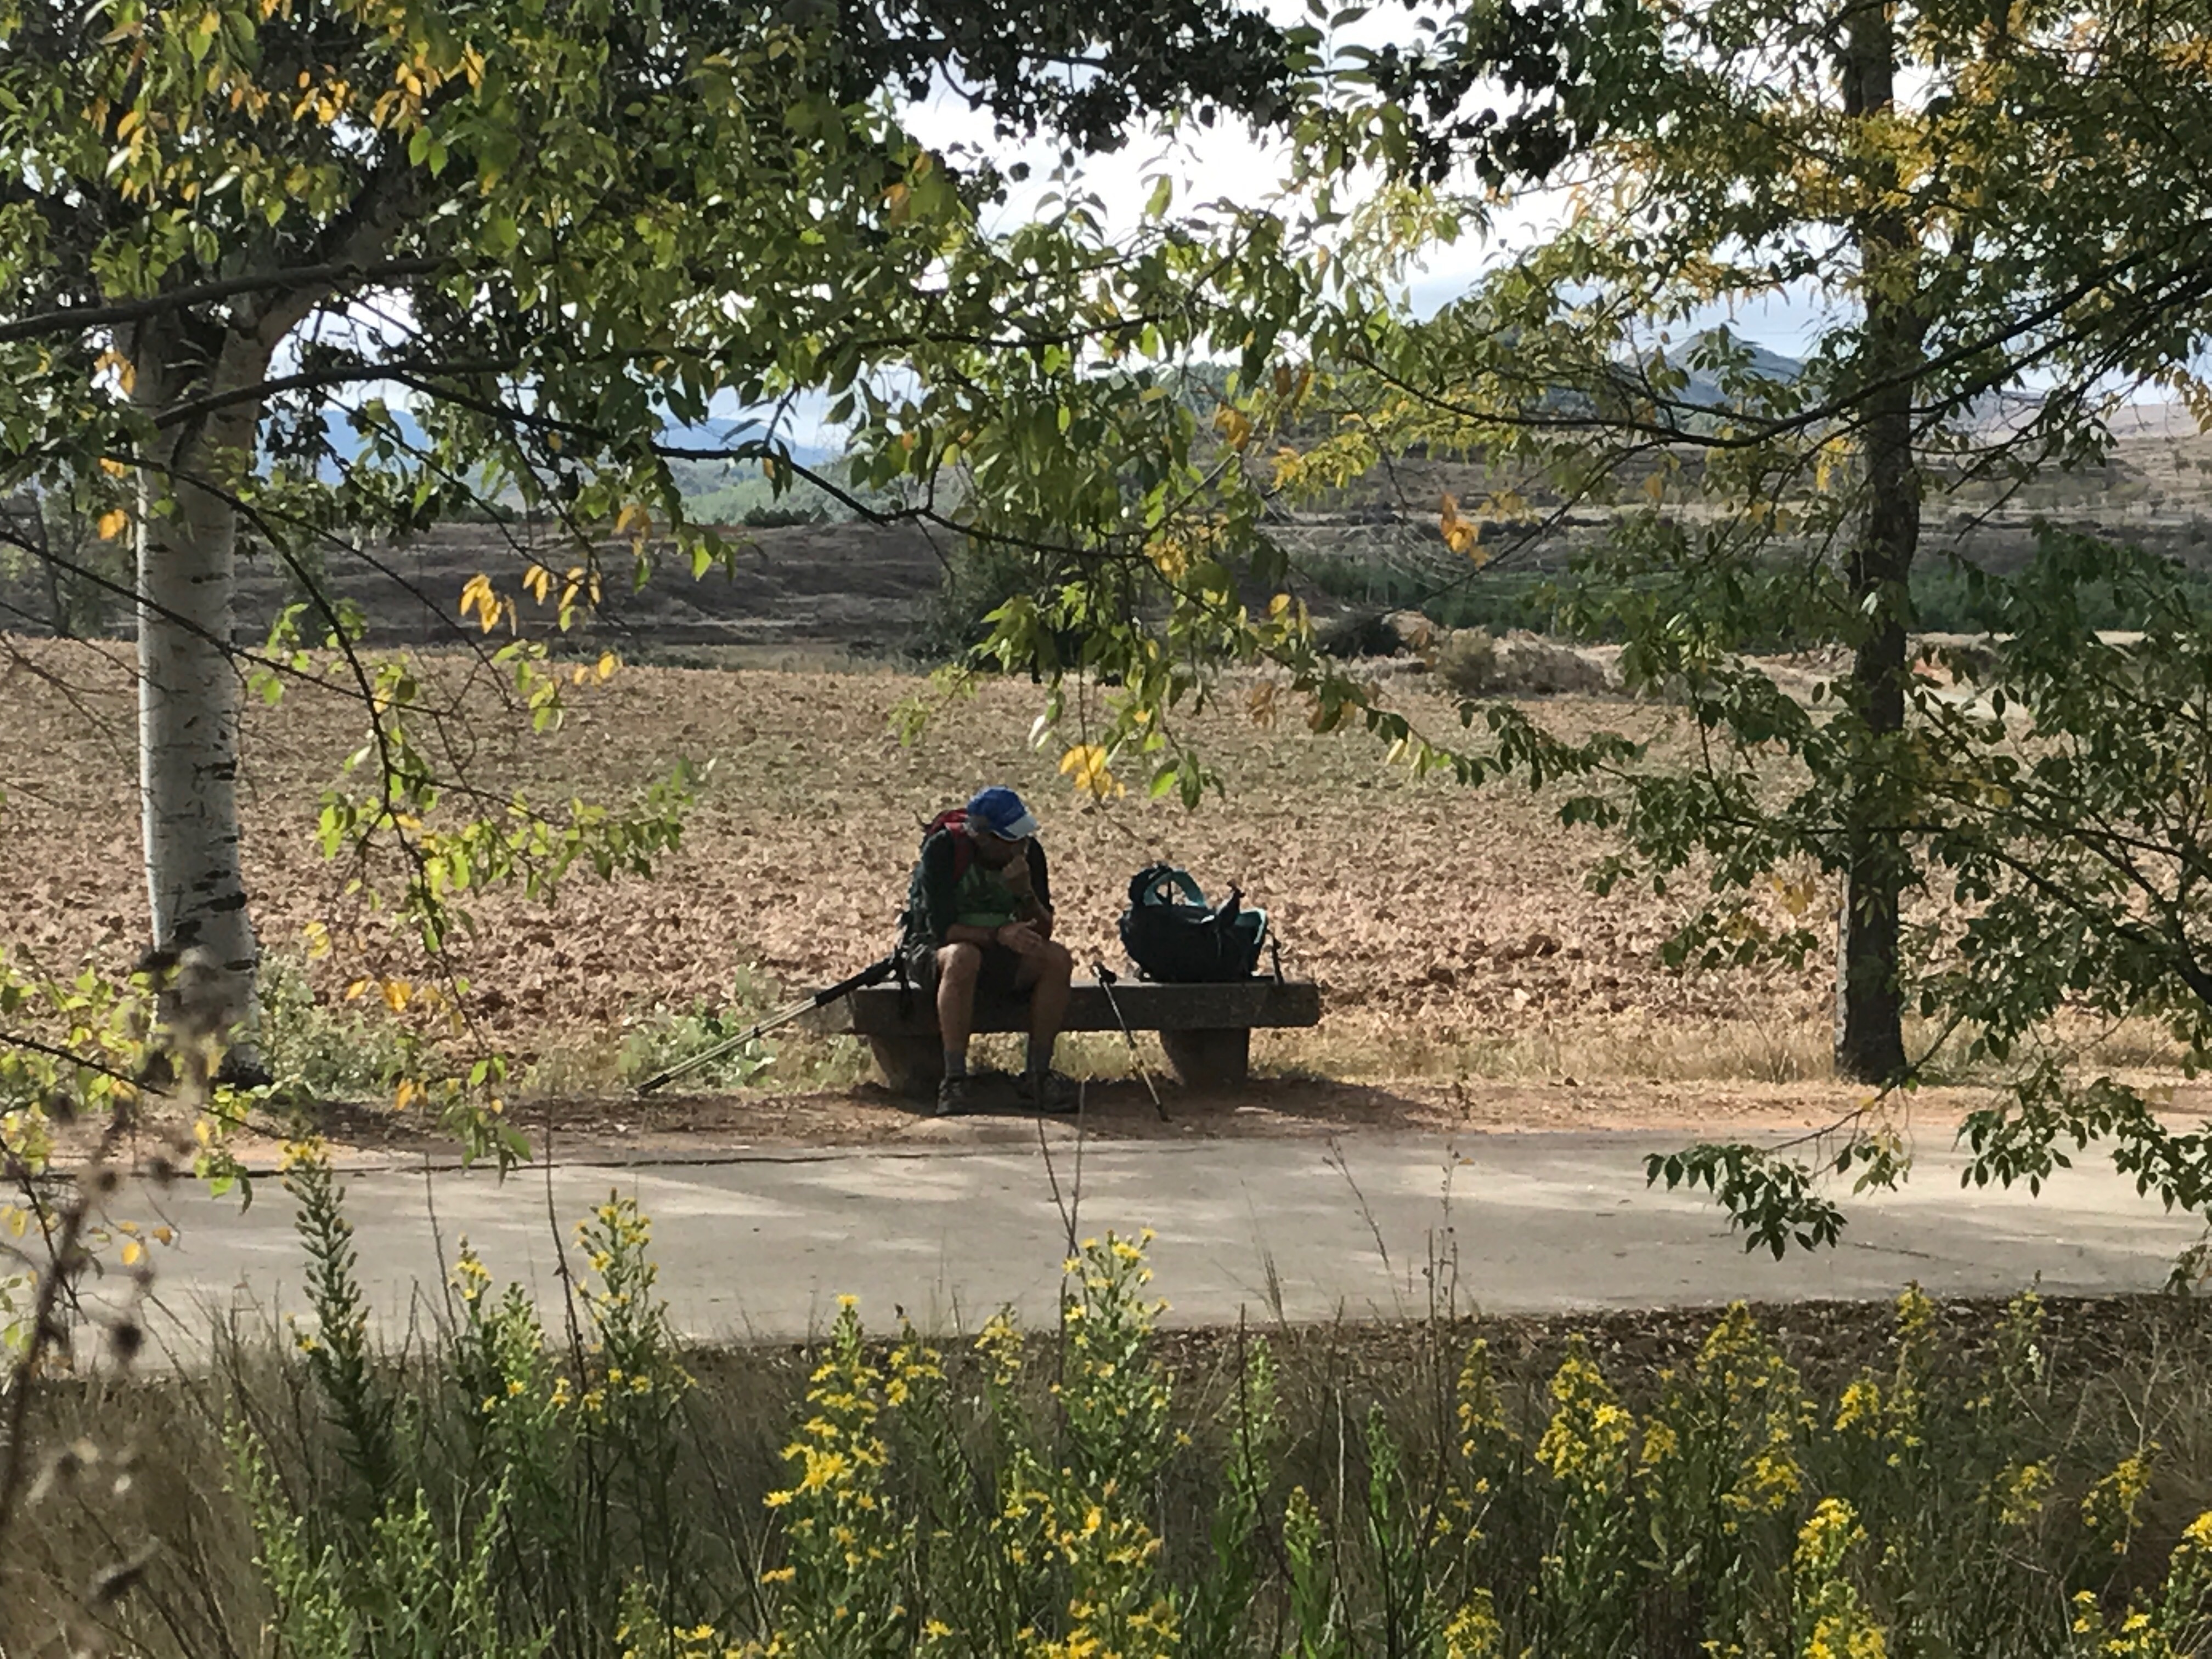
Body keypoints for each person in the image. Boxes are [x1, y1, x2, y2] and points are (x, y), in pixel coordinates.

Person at [904, 786, 1076, 1115]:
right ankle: (955, 1080)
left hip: (1001, 951)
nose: (1020, 846)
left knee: (1057, 959)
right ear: (983, 838)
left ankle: (1037, 1075)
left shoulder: (1029, 855)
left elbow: (1043, 930)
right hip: (939, 953)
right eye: (1010, 839)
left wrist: (1025, 893)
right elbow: (941, 930)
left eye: (1023, 837)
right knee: (963, 957)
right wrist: (998, 935)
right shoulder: (945, 850)